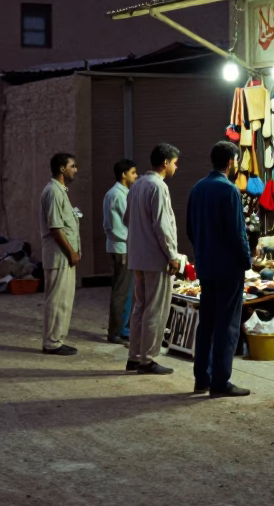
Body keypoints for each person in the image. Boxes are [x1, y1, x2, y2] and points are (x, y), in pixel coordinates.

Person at [186, 141, 253, 398]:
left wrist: (203, 251)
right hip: (228, 268)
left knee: (207, 322)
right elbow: (237, 233)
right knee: (227, 324)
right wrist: (246, 260)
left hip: (206, 265)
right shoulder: (229, 190)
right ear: (231, 162)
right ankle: (220, 381)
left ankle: (201, 378)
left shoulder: (197, 188)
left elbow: (190, 229)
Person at [125, 143, 183, 375]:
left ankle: (134, 356)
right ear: (165, 163)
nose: (176, 167)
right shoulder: (158, 186)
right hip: (155, 257)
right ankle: (147, 359)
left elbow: (128, 219)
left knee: (139, 307)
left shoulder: (137, 185)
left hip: (138, 256)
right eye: (175, 163)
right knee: (155, 310)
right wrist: (172, 255)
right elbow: (162, 225)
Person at [40, 152, 81, 356]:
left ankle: (57, 339)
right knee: (56, 301)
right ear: (62, 169)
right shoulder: (53, 192)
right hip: (59, 256)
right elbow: (56, 228)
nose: (75, 170)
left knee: (63, 301)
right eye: (72, 166)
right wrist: (71, 252)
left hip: (64, 257)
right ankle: (52, 342)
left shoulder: (60, 191)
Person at [103, 158, 138, 344]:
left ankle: (123, 329)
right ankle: (115, 332)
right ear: (124, 175)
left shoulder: (118, 193)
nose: (136, 176)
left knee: (126, 290)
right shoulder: (118, 195)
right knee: (121, 291)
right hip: (122, 247)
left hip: (122, 246)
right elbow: (129, 222)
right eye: (133, 173)